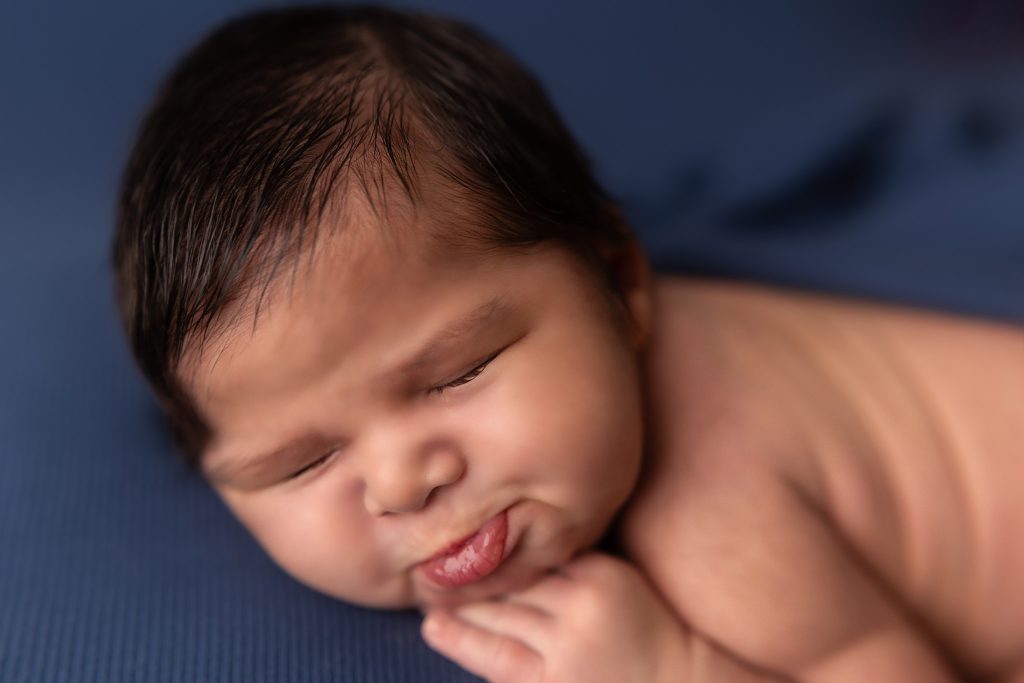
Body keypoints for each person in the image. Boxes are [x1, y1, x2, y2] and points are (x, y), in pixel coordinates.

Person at [113, 6, 1024, 682]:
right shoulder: (585, 332)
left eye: (457, 373)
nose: (403, 482)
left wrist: (671, 669)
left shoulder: (710, 516)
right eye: (300, 462)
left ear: (623, 281)